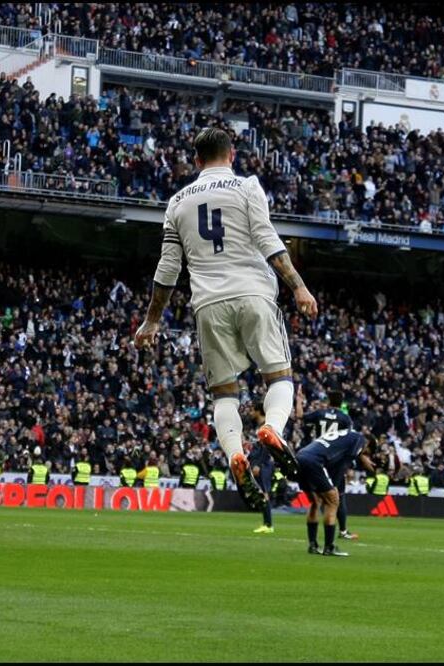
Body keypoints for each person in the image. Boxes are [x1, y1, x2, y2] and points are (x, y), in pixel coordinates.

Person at [135, 127, 316, 512]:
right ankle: (273, 429)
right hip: (253, 292)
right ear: (231, 155)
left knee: (224, 393)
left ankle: (237, 455)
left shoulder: (177, 203)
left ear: (196, 160)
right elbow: (267, 239)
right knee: (279, 377)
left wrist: (152, 321)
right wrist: (298, 286)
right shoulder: (248, 187)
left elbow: (168, 268)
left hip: (208, 304)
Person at [297, 428, 376, 557]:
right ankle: (329, 547)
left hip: (301, 456)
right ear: (367, 445)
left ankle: (313, 545)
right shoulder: (360, 439)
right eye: (366, 452)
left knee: (315, 502)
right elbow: (345, 463)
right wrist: (335, 486)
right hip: (315, 461)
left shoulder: (346, 434)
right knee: (333, 501)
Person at [297, 387, 357, 539]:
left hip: (317, 457)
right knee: (338, 497)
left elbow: (299, 416)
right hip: (334, 461)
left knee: (316, 500)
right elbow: (349, 440)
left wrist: (299, 400)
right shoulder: (345, 418)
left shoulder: (319, 414)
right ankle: (342, 531)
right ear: (341, 402)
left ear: (329, 401)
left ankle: (313, 541)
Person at [247, 405, 275, 533]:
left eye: (252, 410)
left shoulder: (266, 426)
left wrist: (258, 464)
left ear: (258, 411)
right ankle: (266, 523)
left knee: (264, 493)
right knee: (261, 493)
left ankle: (268, 525)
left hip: (263, 464)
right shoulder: (259, 426)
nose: (250, 412)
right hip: (258, 463)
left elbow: (266, 448)